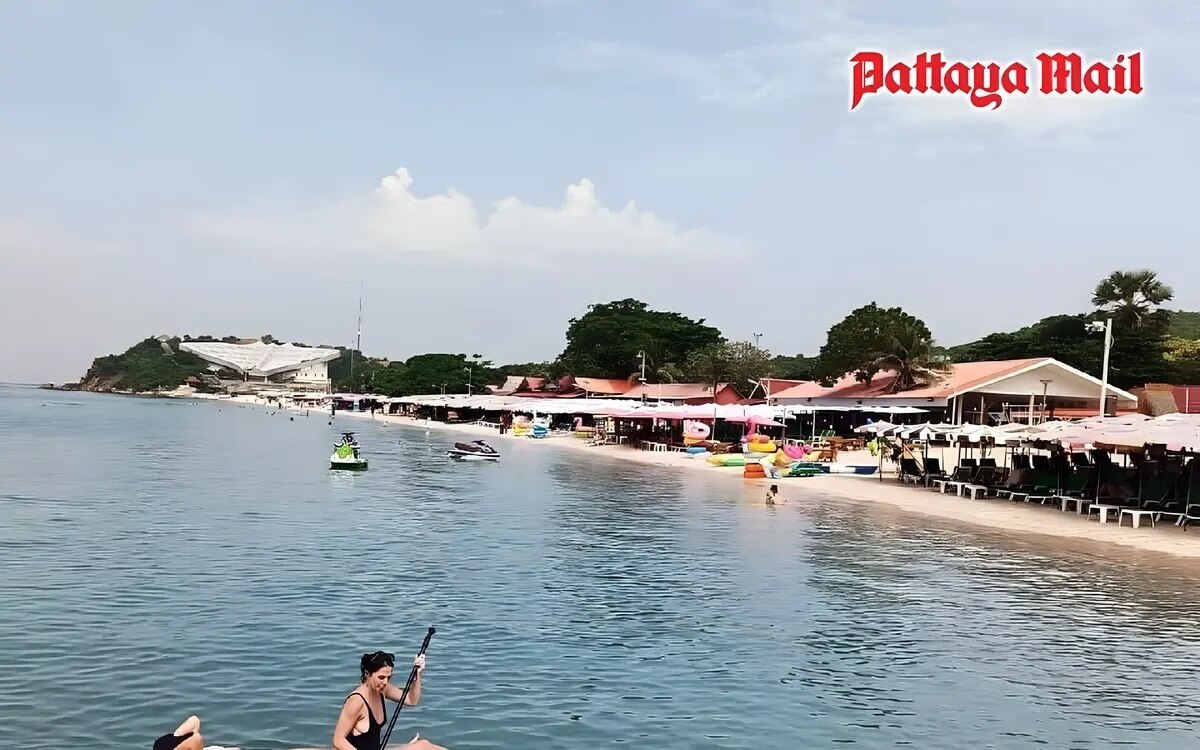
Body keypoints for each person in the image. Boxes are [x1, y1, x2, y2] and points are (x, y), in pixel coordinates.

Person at [333, 650, 449, 750]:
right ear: (368, 674)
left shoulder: (383, 689)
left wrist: (417, 676)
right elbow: (338, 741)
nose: (385, 682)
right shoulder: (356, 701)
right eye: (381, 677)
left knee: (424, 745)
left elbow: (411, 700)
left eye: (389, 677)